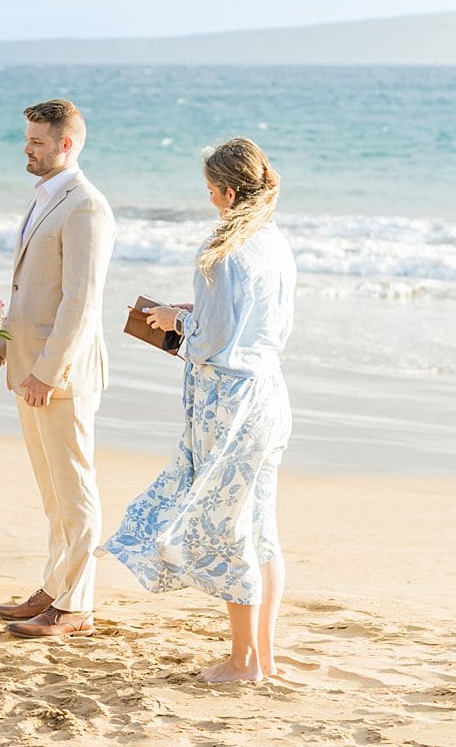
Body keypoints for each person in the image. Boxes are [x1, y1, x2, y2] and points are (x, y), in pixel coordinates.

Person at [99, 137, 295, 682]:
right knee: (260, 525)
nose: (209, 199)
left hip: (226, 402)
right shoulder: (275, 241)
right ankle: (265, 657)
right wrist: (193, 313)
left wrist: (174, 320)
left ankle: (243, 661)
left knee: (227, 526)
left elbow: (209, 341)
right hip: (268, 393)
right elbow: (260, 325)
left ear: (228, 192)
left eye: (211, 190)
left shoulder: (222, 249)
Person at [0, 99, 116, 638]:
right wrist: (2, 347)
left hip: (62, 377)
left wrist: (48, 372)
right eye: (27, 139)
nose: (26, 149)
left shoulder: (86, 207)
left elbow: (81, 302)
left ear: (66, 144)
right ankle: (56, 587)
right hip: (30, 367)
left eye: (36, 141)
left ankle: (75, 606)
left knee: (74, 491)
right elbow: (30, 294)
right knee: (53, 493)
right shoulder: (46, 199)